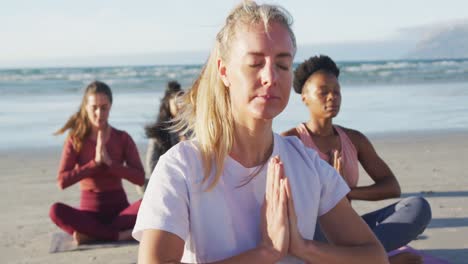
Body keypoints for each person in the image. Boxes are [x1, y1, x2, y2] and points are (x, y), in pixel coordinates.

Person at [133, 2, 387, 263]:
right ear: (224, 71)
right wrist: (266, 253)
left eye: (283, 65)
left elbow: (375, 256)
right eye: (255, 63)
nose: (271, 77)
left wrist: (303, 247)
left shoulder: (307, 165)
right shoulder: (181, 167)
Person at [282, 55, 431, 264]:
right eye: (323, 92)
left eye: (336, 92)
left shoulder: (354, 139)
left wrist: (346, 190)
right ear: (304, 97)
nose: (332, 97)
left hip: (347, 229)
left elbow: (391, 187)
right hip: (310, 233)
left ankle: (351, 258)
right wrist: (326, 187)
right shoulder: (290, 141)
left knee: (418, 207)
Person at [49, 81, 145, 245]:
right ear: (86, 107)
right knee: (55, 210)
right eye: (94, 107)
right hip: (89, 215)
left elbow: (140, 178)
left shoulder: (122, 138)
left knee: (150, 202)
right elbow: (62, 181)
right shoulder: (76, 140)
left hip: (121, 214)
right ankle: (119, 235)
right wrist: (94, 164)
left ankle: (94, 235)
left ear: (110, 107)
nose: (99, 113)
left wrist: (110, 164)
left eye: (104, 107)